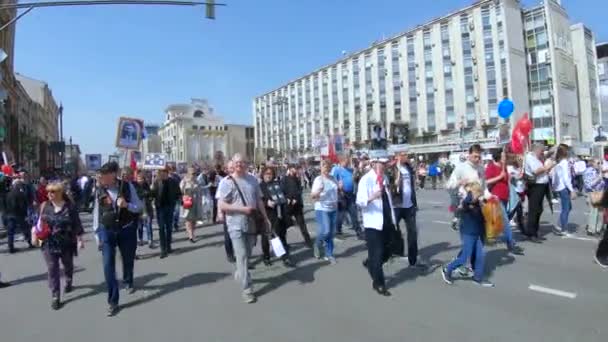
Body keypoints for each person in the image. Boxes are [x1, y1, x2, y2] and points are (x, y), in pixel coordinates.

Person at [217, 153, 271, 304]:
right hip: (235, 224)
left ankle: (241, 271)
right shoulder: (227, 182)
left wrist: (265, 218)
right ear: (233, 165)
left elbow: (259, 200)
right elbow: (222, 205)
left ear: (247, 164)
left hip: (252, 223)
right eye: (237, 162)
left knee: (247, 254)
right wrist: (241, 209)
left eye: (242, 162)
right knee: (241, 256)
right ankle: (247, 289)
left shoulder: (253, 180)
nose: (240, 165)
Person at [93, 162, 143, 316]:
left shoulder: (127, 187)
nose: (101, 177)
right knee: (108, 265)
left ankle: (128, 280)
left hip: (126, 229)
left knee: (128, 258)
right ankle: (113, 301)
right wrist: (97, 235)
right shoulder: (99, 190)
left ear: (113, 174)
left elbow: (139, 207)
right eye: (101, 175)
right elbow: (97, 213)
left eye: (105, 174)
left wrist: (127, 205)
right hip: (107, 231)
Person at [37, 181, 84, 310]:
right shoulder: (44, 206)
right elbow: (38, 222)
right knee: (52, 268)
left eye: (53, 191)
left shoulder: (70, 207)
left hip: (67, 242)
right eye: (48, 191)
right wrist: (34, 233)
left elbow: (76, 223)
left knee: (68, 264)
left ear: (60, 193)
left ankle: (69, 280)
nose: (49, 194)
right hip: (49, 242)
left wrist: (80, 239)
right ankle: (55, 295)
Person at [442, 182, 494, 287]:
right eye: (479, 195)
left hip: (478, 233)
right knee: (464, 257)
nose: (480, 197)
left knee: (480, 256)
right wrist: (472, 199)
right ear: (474, 193)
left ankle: (478, 278)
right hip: (468, 233)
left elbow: (484, 217)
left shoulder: (479, 203)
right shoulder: (467, 202)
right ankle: (448, 269)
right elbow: (461, 208)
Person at [357, 157, 396, 296]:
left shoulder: (384, 177)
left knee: (390, 250)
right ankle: (379, 283)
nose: (384, 165)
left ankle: (371, 262)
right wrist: (372, 197)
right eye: (382, 163)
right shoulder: (366, 180)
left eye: (385, 163)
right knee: (378, 254)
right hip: (373, 223)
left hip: (386, 220)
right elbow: (360, 201)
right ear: (373, 164)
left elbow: (388, 199)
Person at [485, 149, 524, 255]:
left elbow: (508, 180)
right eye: (503, 156)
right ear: (498, 156)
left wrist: (517, 176)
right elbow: (485, 182)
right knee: (506, 221)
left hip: (505, 197)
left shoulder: (504, 167)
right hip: (495, 198)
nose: (505, 158)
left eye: (505, 156)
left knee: (503, 221)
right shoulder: (491, 167)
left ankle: (486, 234)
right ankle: (511, 243)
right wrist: (499, 177)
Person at [391, 149, 426, 267]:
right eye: (403, 154)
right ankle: (395, 251)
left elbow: (411, 185)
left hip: (409, 205)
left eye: (406, 154)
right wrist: (394, 184)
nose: (406, 156)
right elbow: (387, 186)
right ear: (397, 156)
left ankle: (413, 259)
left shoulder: (408, 168)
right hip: (396, 205)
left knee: (413, 232)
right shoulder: (392, 168)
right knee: (392, 230)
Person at [260, 167, 295, 267]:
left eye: (270, 173)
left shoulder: (277, 184)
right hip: (265, 215)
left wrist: (289, 198)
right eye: (266, 173)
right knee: (266, 238)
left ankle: (284, 257)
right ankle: (266, 256)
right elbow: (257, 200)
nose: (268, 175)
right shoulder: (260, 186)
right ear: (263, 174)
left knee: (280, 236)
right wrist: (266, 202)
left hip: (278, 214)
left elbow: (284, 194)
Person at [523, 143, 555, 242]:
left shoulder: (536, 158)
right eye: (541, 150)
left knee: (538, 209)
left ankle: (535, 231)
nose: (542, 152)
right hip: (536, 186)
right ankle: (531, 233)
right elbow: (536, 171)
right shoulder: (530, 157)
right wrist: (547, 167)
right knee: (534, 210)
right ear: (537, 149)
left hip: (541, 185)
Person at [310, 160, 339, 264]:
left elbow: (336, 191)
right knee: (326, 231)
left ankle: (329, 254)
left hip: (333, 208)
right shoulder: (318, 180)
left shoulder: (333, 178)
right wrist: (319, 191)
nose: (326, 170)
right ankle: (317, 244)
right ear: (321, 169)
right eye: (324, 168)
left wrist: (340, 187)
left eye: (328, 168)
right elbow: (312, 196)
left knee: (331, 233)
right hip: (322, 208)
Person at [151, 166, 182, 259]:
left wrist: (179, 199)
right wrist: (149, 193)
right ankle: (163, 249)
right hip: (160, 207)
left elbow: (178, 192)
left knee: (169, 227)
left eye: (165, 172)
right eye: (161, 172)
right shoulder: (157, 182)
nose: (163, 173)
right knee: (161, 228)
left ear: (167, 173)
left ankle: (168, 246)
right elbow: (153, 193)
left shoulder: (173, 181)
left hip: (170, 206)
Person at [331, 156, 363, 240]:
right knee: (340, 215)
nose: (347, 162)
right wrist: (338, 185)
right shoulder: (336, 169)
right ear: (341, 161)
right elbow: (331, 180)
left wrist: (357, 173)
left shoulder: (350, 170)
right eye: (346, 161)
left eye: (348, 161)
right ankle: (338, 231)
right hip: (341, 195)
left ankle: (359, 232)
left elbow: (354, 178)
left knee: (354, 214)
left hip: (350, 195)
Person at [281, 164, 313, 247]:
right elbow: (282, 190)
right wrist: (287, 198)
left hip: (297, 205)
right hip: (287, 205)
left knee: (302, 224)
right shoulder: (284, 179)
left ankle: (308, 241)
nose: (295, 170)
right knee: (285, 225)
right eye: (294, 169)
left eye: (296, 169)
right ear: (290, 169)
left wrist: (296, 198)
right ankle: (283, 242)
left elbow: (299, 190)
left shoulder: (297, 179)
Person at [552, 144, 576, 236]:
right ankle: (563, 229)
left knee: (568, 207)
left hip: (561, 187)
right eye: (568, 151)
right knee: (566, 208)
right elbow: (566, 178)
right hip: (564, 188)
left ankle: (559, 225)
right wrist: (572, 190)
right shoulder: (564, 163)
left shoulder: (560, 163)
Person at [5, 177, 34, 253]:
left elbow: (5, 205)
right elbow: (23, 206)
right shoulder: (21, 194)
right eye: (20, 184)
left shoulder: (8, 194)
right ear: (18, 185)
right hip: (19, 215)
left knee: (10, 232)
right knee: (25, 229)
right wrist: (25, 215)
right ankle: (30, 243)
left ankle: (10, 247)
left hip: (10, 214)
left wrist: (6, 213)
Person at [216, 161, 236, 263]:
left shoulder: (244, 179)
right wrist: (219, 213)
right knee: (228, 235)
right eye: (230, 168)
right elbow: (219, 198)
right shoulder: (223, 181)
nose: (232, 169)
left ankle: (242, 256)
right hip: (228, 213)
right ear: (227, 169)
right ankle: (230, 253)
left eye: (234, 167)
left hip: (242, 213)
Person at [180, 167, 202, 243]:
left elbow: (200, 192)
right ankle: (190, 236)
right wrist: (185, 186)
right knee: (188, 219)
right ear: (188, 173)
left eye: (195, 173)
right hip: (188, 202)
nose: (194, 175)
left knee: (194, 219)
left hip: (196, 202)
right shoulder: (184, 181)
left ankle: (192, 232)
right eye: (193, 173)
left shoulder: (197, 181)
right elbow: (180, 191)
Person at [583, 159, 604, 235]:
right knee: (594, 212)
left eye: (600, 163)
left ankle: (598, 229)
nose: (599, 164)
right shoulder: (589, 171)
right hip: (593, 193)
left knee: (601, 212)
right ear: (592, 163)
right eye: (598, 163)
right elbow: (588, 185)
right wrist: (598, 179)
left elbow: (602, 182)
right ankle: (591, 229)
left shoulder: (598, 170)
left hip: (600, 192)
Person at [134, 173, 154, 248]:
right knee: (140, 225)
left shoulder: (147, 185)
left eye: (141, 179)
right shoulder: (135, 186)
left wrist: (149, 195)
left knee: (148, 225)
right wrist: (144, 194)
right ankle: (140, 239)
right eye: (139, 179)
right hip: (139, 209)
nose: (140, 181)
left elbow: (150, 195)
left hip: (148, 208)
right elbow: (137, 195)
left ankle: (150, 240)